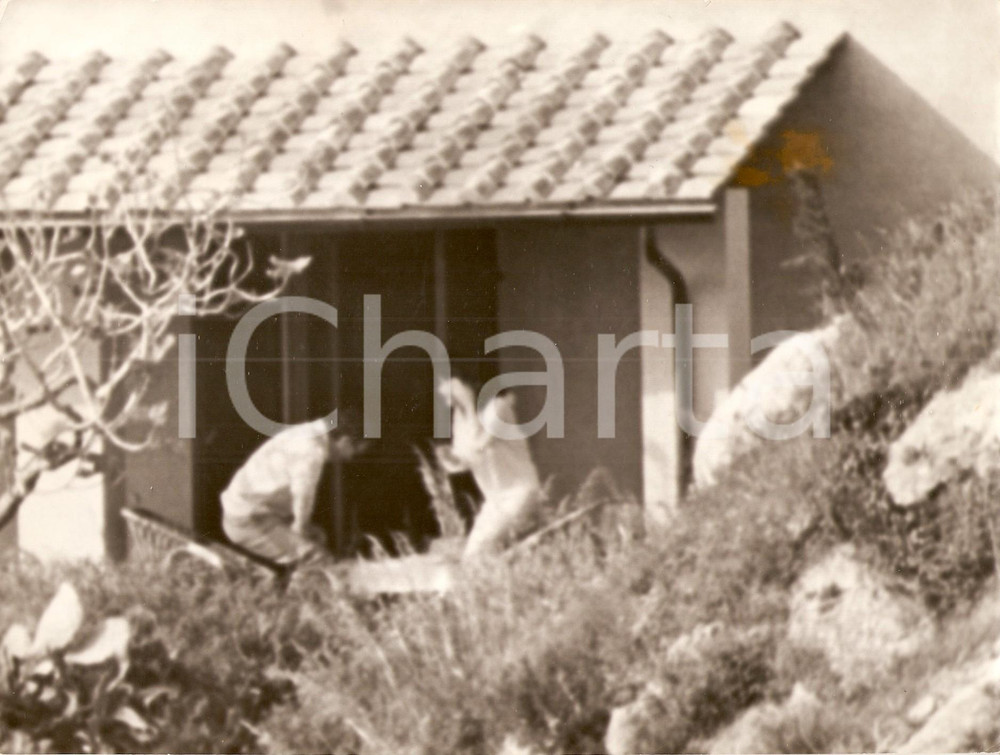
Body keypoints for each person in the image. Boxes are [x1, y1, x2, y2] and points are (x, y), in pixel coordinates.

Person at [220, 414, 367, 566]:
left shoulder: (308, 432)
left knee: (318, 538)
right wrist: (301, 529)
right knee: (317, 558)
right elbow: (303, 494)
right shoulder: (311, 450)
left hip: (255, 510)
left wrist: (304, 530)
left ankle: (294, 582)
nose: (350, 458)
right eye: (355, 452)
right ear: (345, 441)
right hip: (249, 519)